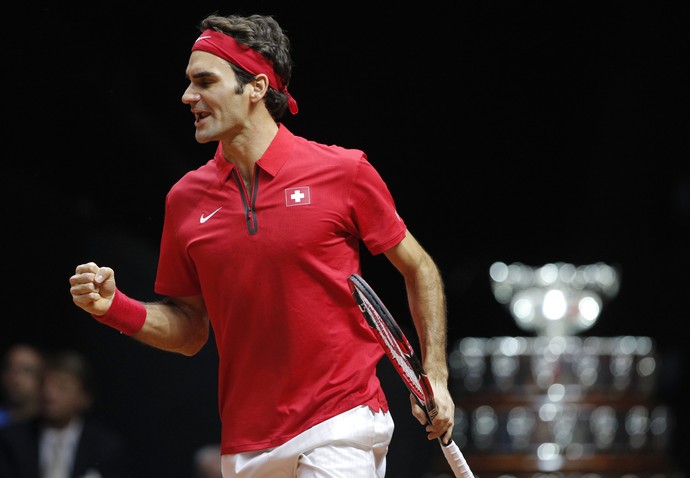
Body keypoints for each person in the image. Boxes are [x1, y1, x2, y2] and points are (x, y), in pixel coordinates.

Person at [68, 12, 455, 478]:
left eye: (204, 81)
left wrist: (436, 373)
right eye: (189, 83)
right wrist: (114, 307)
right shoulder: (185, 199)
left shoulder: (344, 172)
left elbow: (419, 268)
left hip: (342, 422)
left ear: (255, 87)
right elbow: (191, 330)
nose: (188, 96)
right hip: (247, 443)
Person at [0, 349, 129, 478]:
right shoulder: (12, 441)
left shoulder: (104, 447)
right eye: (45, 385)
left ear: (84, 398)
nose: (50, 394)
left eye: (62, 387)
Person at [0, 343, 45, 428]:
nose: (14, 378)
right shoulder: (2, 419)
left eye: (26, 371)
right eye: (9, 368)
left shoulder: (51, 427)